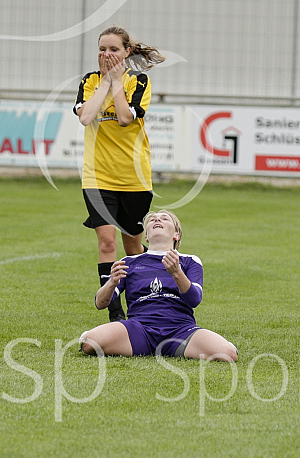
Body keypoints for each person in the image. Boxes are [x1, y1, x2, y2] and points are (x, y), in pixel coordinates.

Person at [73, 26, 165, 322]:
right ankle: (115, 313)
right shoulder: (89, 81)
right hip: (97, 178)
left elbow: (125, 118)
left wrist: (116, 84)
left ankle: (143, 305)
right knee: (107, 243)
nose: (107, 54)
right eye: (102, 49)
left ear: (127, 52)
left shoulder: (139, 81)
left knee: (134, 247)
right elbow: (86, 117)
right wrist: (105, 83)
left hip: (134, 178)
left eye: (113, 49)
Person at [79, 210, 238, 362]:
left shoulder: (189, 261)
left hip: (180, 329)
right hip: (139, 328)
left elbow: (194, 300)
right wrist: (112, 282)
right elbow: (100, 303)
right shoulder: (129, 262)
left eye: (165, 218)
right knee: (89, 342)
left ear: (177, 235)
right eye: (152, 219)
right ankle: (141, 345)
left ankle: (176, 346)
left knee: (228, 354)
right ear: (146, 237)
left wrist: (176, 273)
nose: (157, 219)